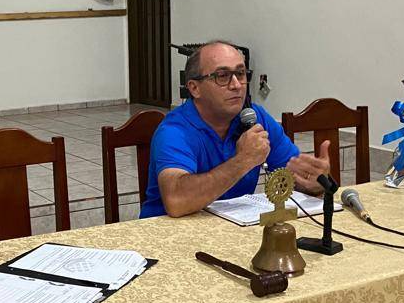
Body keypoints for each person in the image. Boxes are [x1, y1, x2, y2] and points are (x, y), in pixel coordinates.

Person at [141, 42, 331, 218]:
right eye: (222, 76)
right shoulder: (175, 130)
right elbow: (176, 201)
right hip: (169, 232)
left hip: (231, 228)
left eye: (240, 74)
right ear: (194, 88)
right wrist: (243, 160)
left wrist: (314, 182)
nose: (236, 85)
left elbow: (292, 177)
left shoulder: (256, 117)